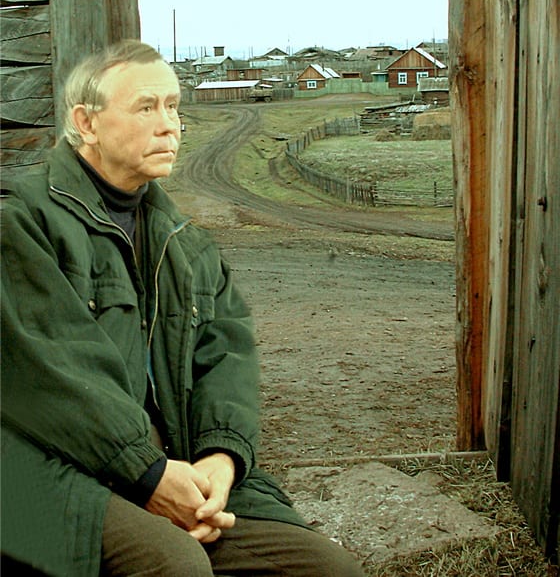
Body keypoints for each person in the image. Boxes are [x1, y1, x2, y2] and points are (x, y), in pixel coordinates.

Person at [1, 40, 364, 576]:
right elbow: (51, 374)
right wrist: (148, 475)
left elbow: (227, 358)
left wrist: (220, 458)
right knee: (175, 565)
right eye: (146, 107)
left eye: (173, 107)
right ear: (86, 122)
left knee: (327, 569)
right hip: (44, 474)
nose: (169, 125)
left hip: (170, 466)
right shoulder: (22, 224)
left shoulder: (185, 241)